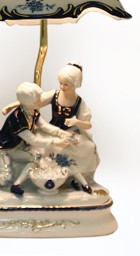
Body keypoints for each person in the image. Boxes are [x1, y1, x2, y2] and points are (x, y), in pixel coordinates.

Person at [0, 82, 70, 196]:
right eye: (38, 99)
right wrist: (55, 142)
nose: (41, 100)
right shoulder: (18, 119)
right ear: (29, 102)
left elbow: (44, 126)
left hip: (14, 147)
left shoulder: (32, 111)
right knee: (6, 178)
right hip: (2, 148)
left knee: (36, 158)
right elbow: (33, 140)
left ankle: (17, 185)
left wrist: (60, 132)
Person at [38, 62, 99, 193]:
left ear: (76, 84)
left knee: (88, 147)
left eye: (66, 84)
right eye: (60, 83)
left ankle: (76, 177)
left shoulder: (78, 102)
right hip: (53, 130)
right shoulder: (54, 95)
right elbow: (34, 101)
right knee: (55, 147)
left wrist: (76, 121)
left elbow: (88, 124)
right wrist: (17, 103)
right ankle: (57, 176)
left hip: (70, 132)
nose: (62, 87)